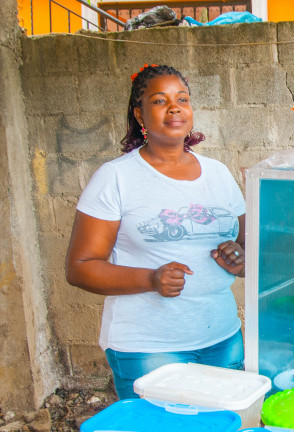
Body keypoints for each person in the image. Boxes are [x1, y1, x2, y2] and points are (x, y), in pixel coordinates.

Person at [65, 64, 247, 399]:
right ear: (140, 114)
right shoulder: (116, 177)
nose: (174, 108)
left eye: (182, 99)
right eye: (160, 101)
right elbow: (80, 267)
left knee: (224, 421)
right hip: (148, 348)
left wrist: (240, 259)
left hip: (222, 339)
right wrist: (150, 279)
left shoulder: (219, 174)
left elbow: (247, 246)